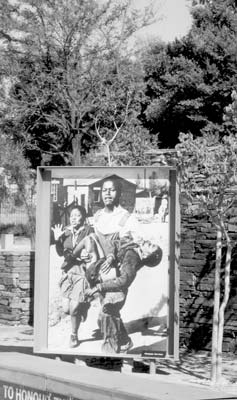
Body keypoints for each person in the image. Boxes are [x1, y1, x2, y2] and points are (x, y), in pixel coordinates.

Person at [84, 236, 163, 354]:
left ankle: (109, 352)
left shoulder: (133, 258)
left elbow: (124, 281)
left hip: (116, 291)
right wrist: (111, 256)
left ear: (146, 256)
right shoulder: (135, 247)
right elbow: (115, 243)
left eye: (151, 246)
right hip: (110, 285)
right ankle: (125, 342)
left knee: (108, 317)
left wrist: (98, 287)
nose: (148, 242)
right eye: (151, 243)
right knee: (110, 317)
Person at [51, 205, 93, 348]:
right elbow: (60, 252)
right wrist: (57, 240)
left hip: (82, 271)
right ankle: (83, 307)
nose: (74, 218)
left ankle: (74, 335)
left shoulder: (89, 230)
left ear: (83, 217)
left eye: (78, 215)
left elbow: (93, 249)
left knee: (74, 308)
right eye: (72, 215)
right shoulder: (66, 232)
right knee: (66, 309)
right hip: (67, 272)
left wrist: (88, 254)